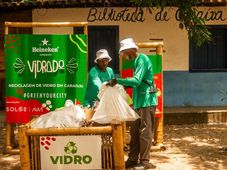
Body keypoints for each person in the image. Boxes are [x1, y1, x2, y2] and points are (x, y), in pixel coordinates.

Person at [107, 38, 157, 169]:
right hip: (138, 101)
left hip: (147, 101)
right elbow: (138, 82)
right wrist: (123, 86)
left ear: (129, 50)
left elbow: (136, 81)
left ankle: (145, 161)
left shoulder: (143, 59)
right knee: (134, 131)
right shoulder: (136, 62)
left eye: (123, 53)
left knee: (145, 131)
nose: (123, 56)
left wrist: (118, 81)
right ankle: (133, 158)